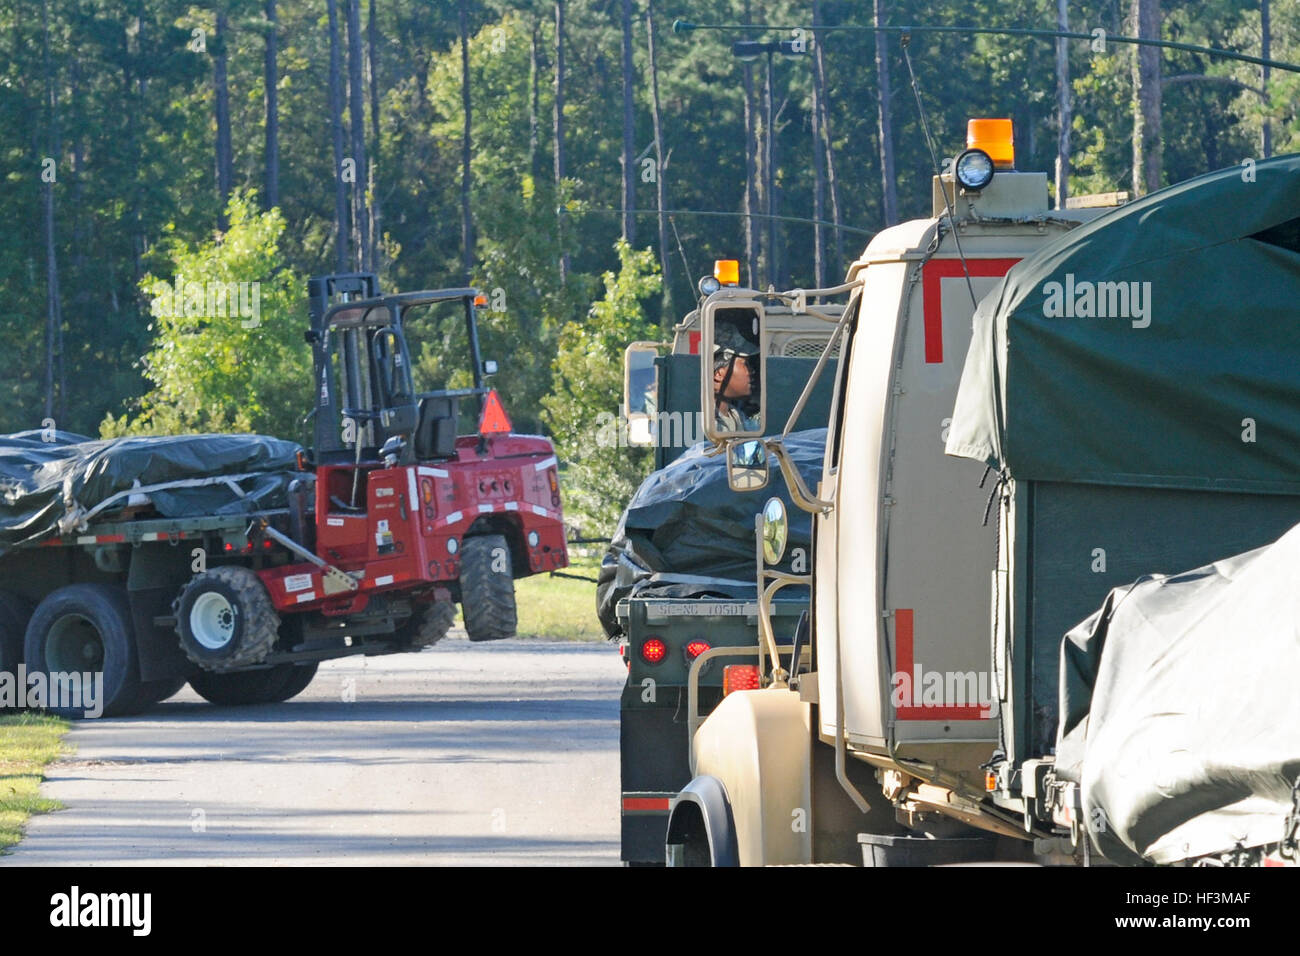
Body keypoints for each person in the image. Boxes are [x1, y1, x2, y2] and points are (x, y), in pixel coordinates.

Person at [713, 345, 759, 433]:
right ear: (718, 374)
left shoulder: (738, 416)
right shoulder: (706, 419)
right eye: (745, 364)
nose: (751, 371)